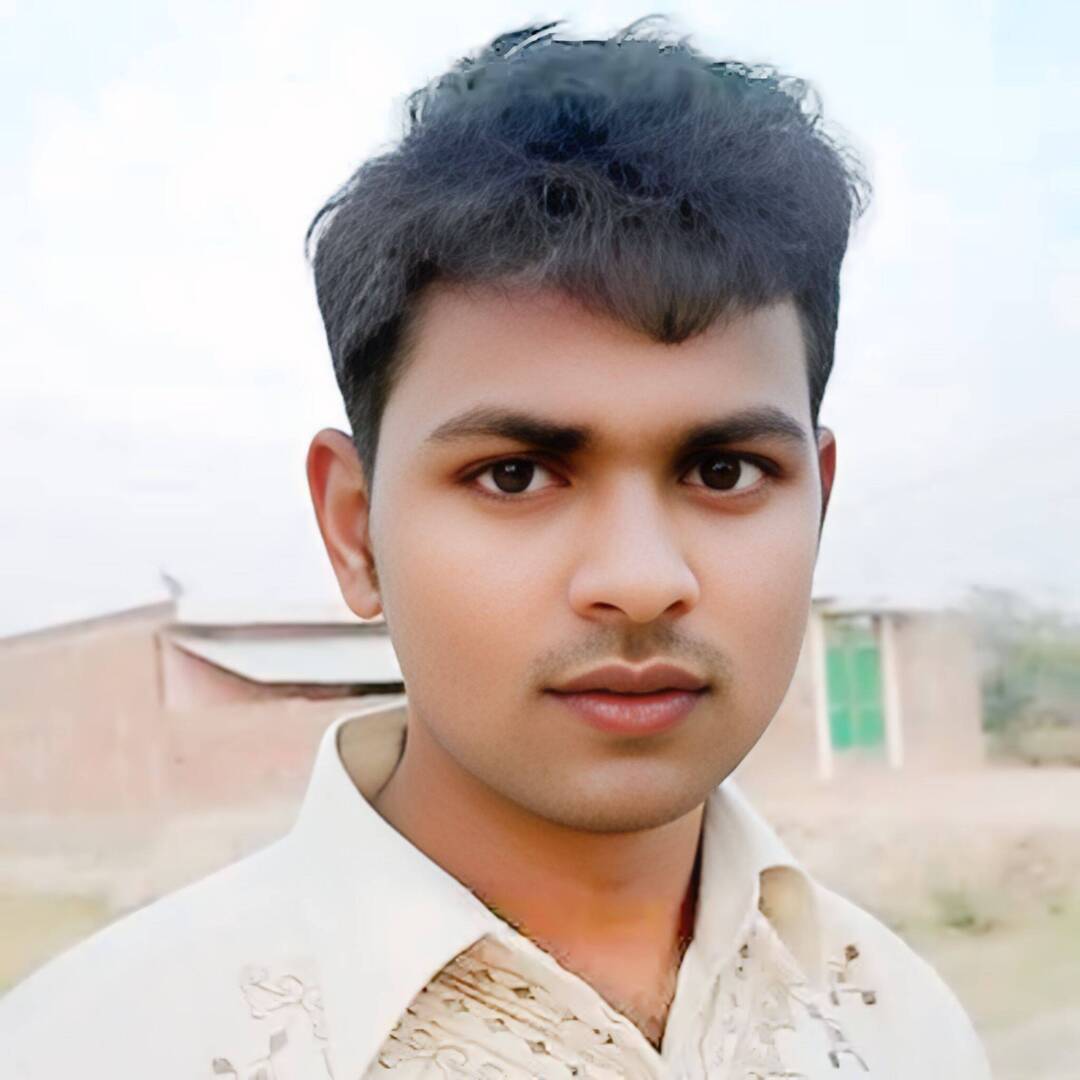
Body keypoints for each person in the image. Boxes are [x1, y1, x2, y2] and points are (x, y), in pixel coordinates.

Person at [0, 17, 991, 1079]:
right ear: (354, 531)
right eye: (515, 475)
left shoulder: (900, 1028)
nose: (640, 580)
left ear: (818, 503)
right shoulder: (92, 1048)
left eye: (723, 471)